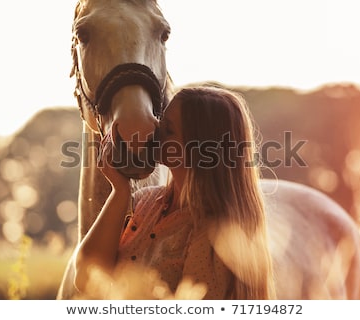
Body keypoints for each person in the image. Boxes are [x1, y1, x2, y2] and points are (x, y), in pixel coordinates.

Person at [73, 86, 276, 299]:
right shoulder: (145, 202)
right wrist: (120, 191)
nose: (153, 132)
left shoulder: (211, 234)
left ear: (199, 150)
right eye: (160, 120)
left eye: (168, 129)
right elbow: (85, 278)